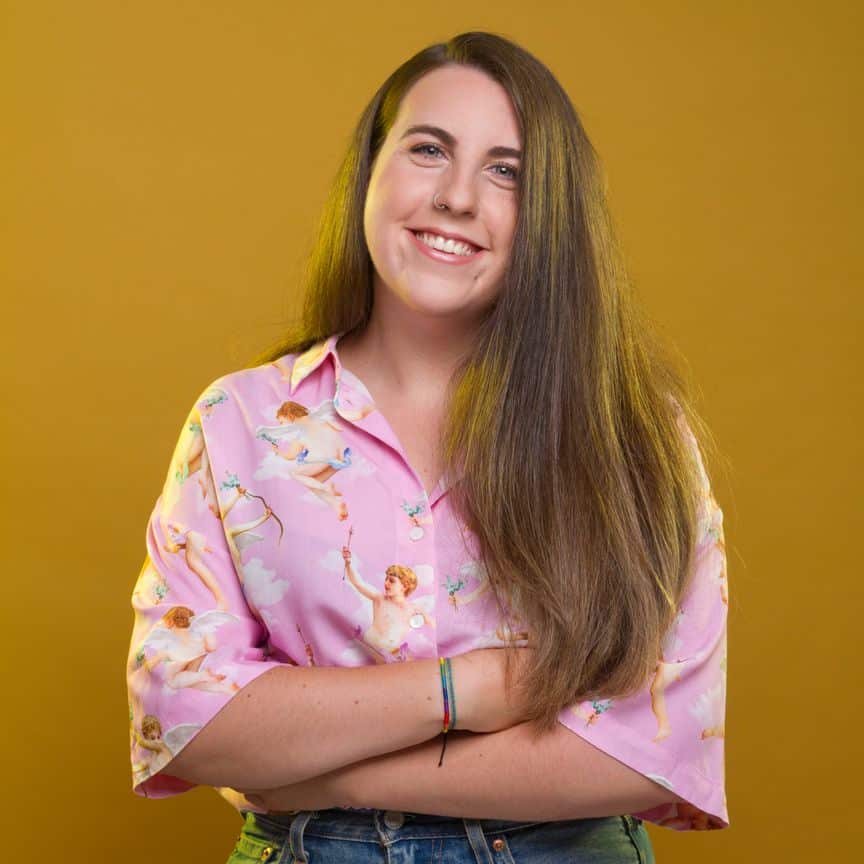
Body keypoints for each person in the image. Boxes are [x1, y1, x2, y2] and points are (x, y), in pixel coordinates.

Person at [126, 30, 730, 863]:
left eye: (507, 171)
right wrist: (468, 688)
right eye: (428, 149)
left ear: (550, 216)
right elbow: (180, 718)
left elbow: (653, 750)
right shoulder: (238, 421)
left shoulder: (632, 435)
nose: (456, 197)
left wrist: (324, 775)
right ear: (370, 171)